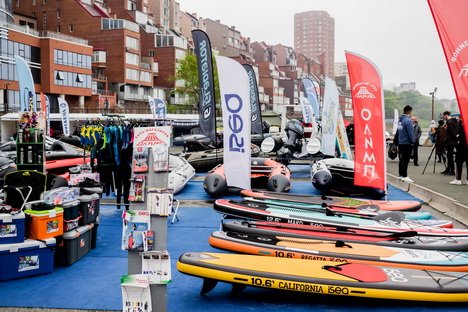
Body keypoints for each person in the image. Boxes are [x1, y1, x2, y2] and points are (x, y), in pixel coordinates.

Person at [397, 105, 416, 183]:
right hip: (407, 143)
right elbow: (411, 133)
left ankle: (401, 175)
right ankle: (405, 175)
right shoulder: (408, 121)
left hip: (401, 142)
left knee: (401, 159)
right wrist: (413, 141)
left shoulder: (400, 120)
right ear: (410, 112)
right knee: (406, 159)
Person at [450, 119, 468, 185]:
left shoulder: (461, 127)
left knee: (458, 163)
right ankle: (467, 180)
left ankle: (458, 179)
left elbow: (457, 135)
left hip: (461, 148)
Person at [442, 111, 457, 175]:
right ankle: (449, 169)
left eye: (443, 116)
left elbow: (452, 131)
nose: (443, 117)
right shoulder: (454, 121)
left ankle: (451, 170)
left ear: (446, 115)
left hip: (450, 141)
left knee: (449, 156)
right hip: (453, 141)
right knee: (449, 155)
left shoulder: (449, 122)